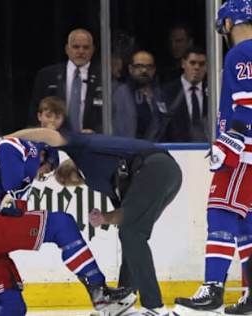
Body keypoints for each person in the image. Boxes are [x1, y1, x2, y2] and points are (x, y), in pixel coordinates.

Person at [0, 138, 136, 316]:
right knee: (62, 224)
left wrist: (15, 200)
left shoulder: (9, 159)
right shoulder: (24, 147)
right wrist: (17, 198)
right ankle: (99, 290)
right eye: (45, 170)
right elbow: (7, 149)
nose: (40, 175)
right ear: (43, 154)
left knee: (12, 308)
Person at [5, 127, 182, 316]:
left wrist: (8, 139)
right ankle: (122, 301)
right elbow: (124, 215)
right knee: (130, 235)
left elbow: (48, 135)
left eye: (62, 176)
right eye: (64, 183)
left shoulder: (81, 149)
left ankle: (154, 306)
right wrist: (105, 217)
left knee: (131, 233)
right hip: (166, 175)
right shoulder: (101, 183)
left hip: (155, 166)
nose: (66, 180)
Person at [173, 1, 252, 315]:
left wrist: (229, 143)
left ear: (230, 23)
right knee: (247, 223)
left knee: (220, 211)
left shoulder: (241, 53)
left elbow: (247, 104)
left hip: (244, 153)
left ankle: (213, 289)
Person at [29, 28, 102, 133]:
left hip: (91, 141)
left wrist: (96, 131)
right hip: (54, 139)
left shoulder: (102, 78)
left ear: (92, 50)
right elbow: (35, 110)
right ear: (67, 49)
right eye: (76, 47)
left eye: (86, 47)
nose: (81, 51)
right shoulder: (47, 75)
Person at [112, 50, 168, 141]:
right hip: (126, 149)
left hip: (156, 150)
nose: (144, 70)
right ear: (130, 69)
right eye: (139, 66)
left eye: (148, 66)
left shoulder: (161, 94)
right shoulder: (119, 93)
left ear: (154, 70)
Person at [163, 46, 209, 142]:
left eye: (201, 64)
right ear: (183, 64)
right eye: (192, 63)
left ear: (206, 67)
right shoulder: (167, 92)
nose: (197, 67)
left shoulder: (213, 92)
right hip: (176, 149)